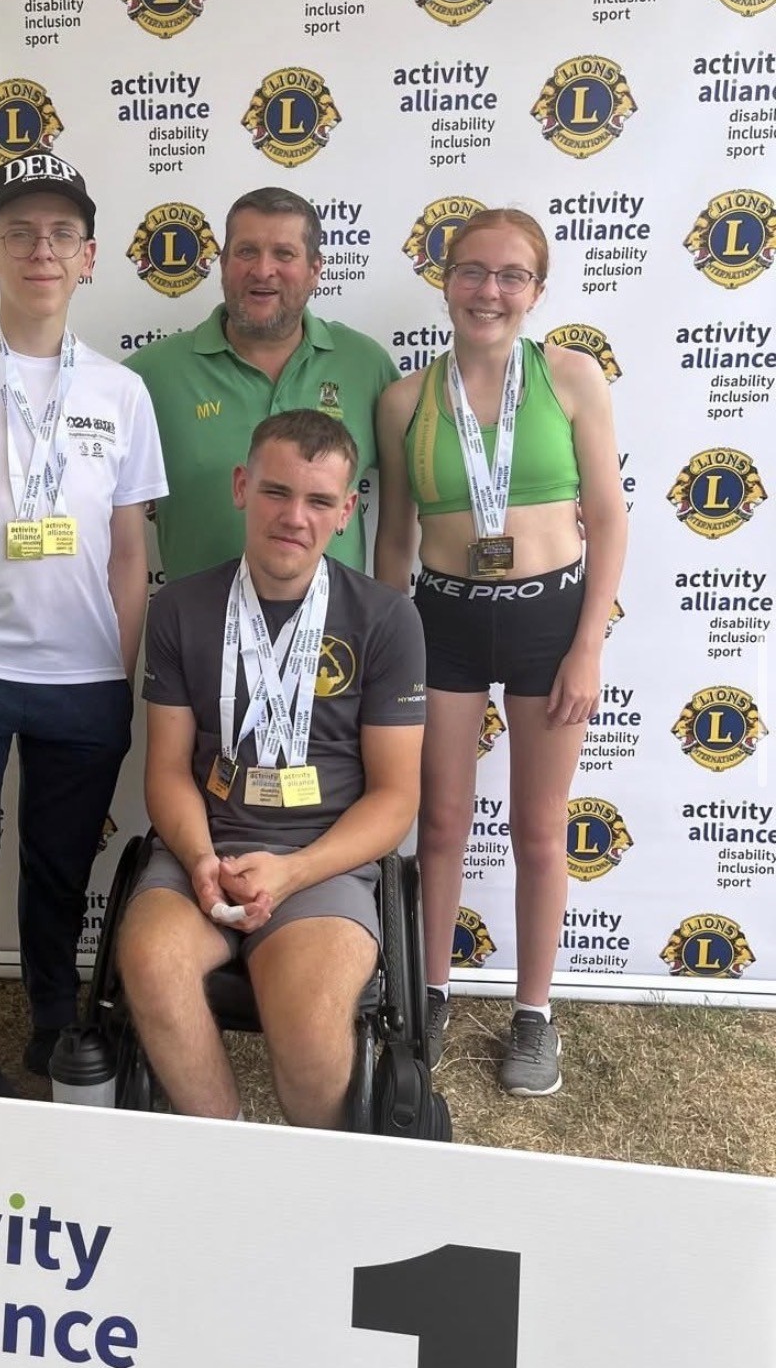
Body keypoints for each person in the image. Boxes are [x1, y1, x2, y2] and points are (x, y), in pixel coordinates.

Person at [0, 152, 167, 1099]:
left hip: (82, 679)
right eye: (19, 233)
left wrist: (114, 671)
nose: (40, 250)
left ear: (88, 256)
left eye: (60, 234)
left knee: (57, 872)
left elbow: (128, 551)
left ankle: (55, 1024)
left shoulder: (121, 392)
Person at [374, 207, 627, 1098]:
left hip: (548, 623)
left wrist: (587, 647)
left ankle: (533, 1014)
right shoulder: (405, 399)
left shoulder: (571, 376)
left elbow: (610, 520)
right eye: (472, 271)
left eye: (511, 275)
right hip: (441, 621)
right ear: (446, 281)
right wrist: (388, 645)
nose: (489, 291)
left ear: (536, 290)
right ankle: (431, 995)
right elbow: (395, 539)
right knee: (440, 823)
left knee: (539, 828)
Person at [115, 410, 425, 1126]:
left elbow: (395, 797)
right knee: (151, 964)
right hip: (203, 854)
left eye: (319, 501)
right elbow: (166, 771)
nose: (294, 517)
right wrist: (200, 860)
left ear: (346, 512)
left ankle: (312, 1175)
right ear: (240, 488)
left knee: (311, 1023)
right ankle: (225, 1155)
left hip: (323, 864)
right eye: (276, 492)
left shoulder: (386, 619)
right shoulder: (180, 608)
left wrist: (292, 872)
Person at [124, 187, 396, 582]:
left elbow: (410, 504)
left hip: (337, 622)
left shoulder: (366, 365)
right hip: (199, 620)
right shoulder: (149, 376)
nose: (263, 269)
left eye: (284, 254)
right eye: (247, 251)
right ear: (223, 264)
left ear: (315, 269)